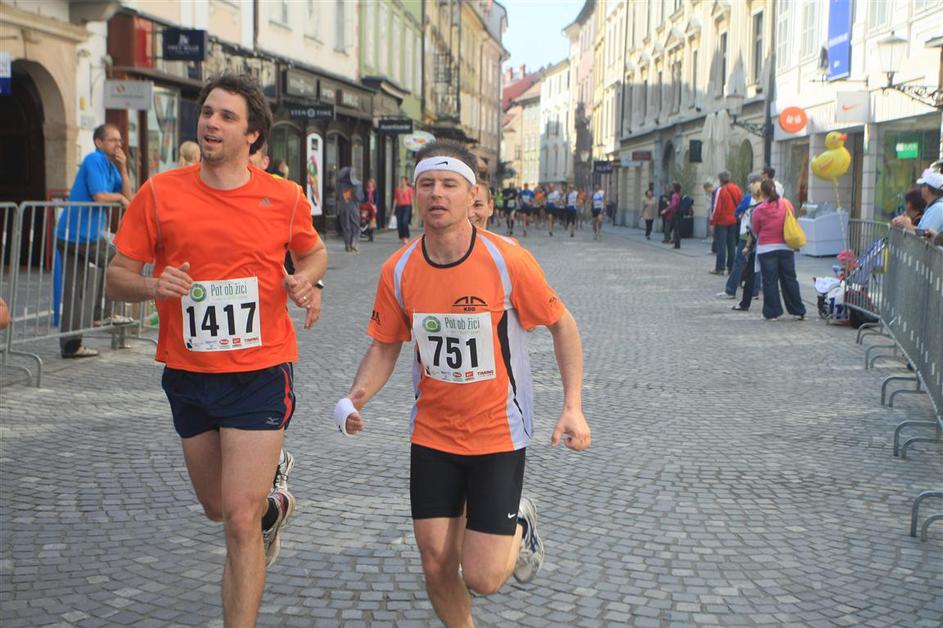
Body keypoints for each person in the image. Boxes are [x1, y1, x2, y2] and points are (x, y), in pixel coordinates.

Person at [333, 139, 591, 627]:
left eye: (449, 184)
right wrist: (356, 395)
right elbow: (386, 345)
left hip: (497, 433)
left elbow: (563, 325)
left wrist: (572, 406)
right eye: (426, 184)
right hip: (433, 432)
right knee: (435, 560)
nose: (437, 194)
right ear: (414, 192)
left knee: (483, 576)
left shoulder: (506, 260)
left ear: (472, 194)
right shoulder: (399, 269)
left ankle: (520, 522)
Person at [104, 73, 328, 627]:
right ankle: (273, 506)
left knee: (238, 520)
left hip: (260, 371)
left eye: (227, 116)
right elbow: (115, 277)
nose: (211, 122)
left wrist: (306, 281)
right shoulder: (160, 193)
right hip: (189, 371)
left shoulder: (284, 197)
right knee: (217, 508)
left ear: (253, 135)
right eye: (207, 112)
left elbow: (313, 252)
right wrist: (153, 286)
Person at [56, 123, 134, 358]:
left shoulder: (110, 166)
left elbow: (129, 197)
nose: (118, 144)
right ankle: (104, 314)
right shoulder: (94, 159)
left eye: (120, 140)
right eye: (113, 140)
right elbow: (100, 196)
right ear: (99, 142)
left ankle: (71, 346)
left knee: (74, 291)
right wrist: (119, 198)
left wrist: (124, 168)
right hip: (78, 235)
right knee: (118, 262)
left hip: (80, 235)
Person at [751, 179, 806, 321]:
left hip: (766, 248)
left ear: (762, 193)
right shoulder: (786, 204)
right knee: (790, 279)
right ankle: (797, 310)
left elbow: (755, 228)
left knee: (770, 281)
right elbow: (791, 218)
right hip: (786, 247)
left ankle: (772, 312)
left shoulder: (759, 209)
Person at [720, 174, 762, 300]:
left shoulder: (749, 197)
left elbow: (737, 211)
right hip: (759, 233)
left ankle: (730, 290)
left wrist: (740, 214)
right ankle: (755, 291)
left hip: (746, 232)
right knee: (756, 263)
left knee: (739, 261)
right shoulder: (765, 198)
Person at [730, 180, 765, 312]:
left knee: (748, 269)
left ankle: (744, 301)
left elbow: (752, 230)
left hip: (757, 243)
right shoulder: (777, 205)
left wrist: (748, 246)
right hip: (774, 245)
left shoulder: (755, 207)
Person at [709, 171, 742, 275]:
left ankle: (720, 267)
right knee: (732, 245)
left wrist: (712, 222)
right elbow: (740, 203)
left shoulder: (721, 190)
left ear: (720, 179)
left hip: (722, 221)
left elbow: (716, 207)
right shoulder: (736, 188)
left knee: (721, 245)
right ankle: (731, 267)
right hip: (733, 220)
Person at [892, 169, 943, 234]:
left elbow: (925, 236)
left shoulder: (938, 208)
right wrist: (904, 224)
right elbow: (923, 231)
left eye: (922, 186)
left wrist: (908, 225)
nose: (920, 189)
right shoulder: (935, 206)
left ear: (927, 189)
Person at [338, 167, 362, 253]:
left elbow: (338, 197)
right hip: (353, 208)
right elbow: (359, 197)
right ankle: (354, 243)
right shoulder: (356, 185)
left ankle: (347, 245)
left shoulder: (340, 185)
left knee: (346, 227)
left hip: (343, 208)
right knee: (355, 227)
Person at [394, 176, 414, 244]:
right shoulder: (397, 189)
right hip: (399, 207)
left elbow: (411, 199)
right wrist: (393, 209)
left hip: (407, 207)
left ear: (406, 181)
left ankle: (406, 237)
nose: (402, 182)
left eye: (403, 180)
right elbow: (395, 200)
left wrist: (413, 209)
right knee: (399, 223)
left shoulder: (409, 189)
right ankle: (401, 237)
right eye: (401, 180)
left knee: (404, 222)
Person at [361, 178, 378, 242]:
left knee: (372, 221)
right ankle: (367, 233)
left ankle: (371, 235)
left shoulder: (375, 191)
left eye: (371, 183)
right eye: (369, 183)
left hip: (373, 207)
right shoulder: (365, 190)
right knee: (365, 220)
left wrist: (374, 205)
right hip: (366, 207)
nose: (369, 184)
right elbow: (363, 198)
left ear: (373, 184)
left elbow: (376, 200)